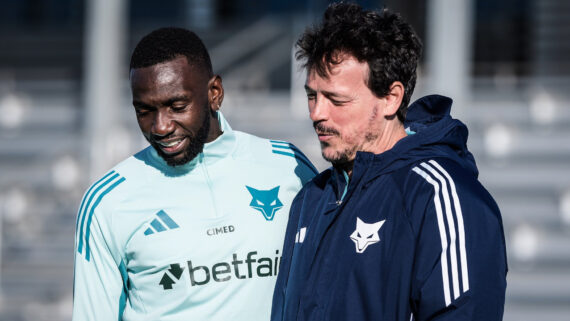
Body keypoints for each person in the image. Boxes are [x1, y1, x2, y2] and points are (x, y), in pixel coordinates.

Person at [271, 3, 507, 321]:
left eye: (336, 99)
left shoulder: (441, 195)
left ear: (390, 98)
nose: (316, 113)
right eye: (312, 96)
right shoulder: (311, 198)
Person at [72, 27, 317, 320]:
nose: (160, 126)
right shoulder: (107, 201)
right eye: (145, 110)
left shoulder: (288, 166)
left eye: (177, 106)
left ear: (214, 93)